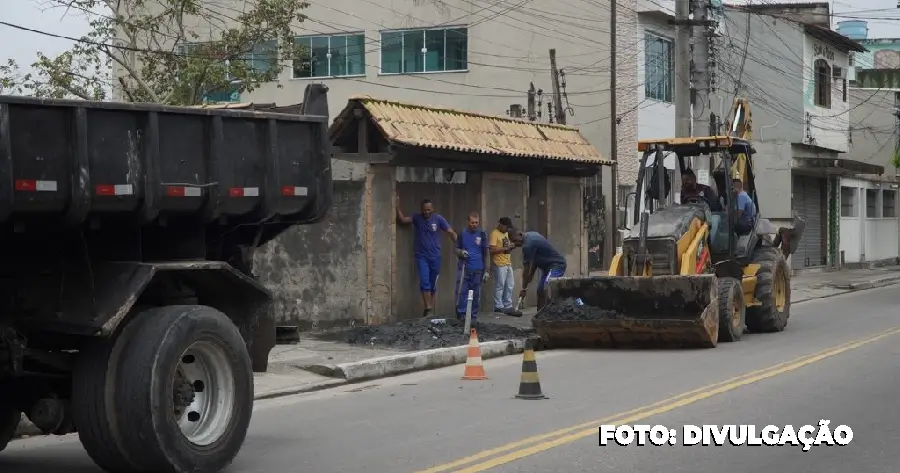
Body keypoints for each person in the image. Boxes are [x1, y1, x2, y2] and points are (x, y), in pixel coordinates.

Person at [397, 198, 457, 317]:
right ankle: (429, 309)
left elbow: (450, 231)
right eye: (424, 210)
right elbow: (403, 220)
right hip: (422, 256)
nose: (427, 212)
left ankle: (427, 309)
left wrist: (454, 237)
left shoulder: (438, 219)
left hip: (435, 256)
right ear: (421, 209)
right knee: (425, 282)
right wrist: (397, 206)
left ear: (432, 209)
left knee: (432, 285)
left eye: (429, 209)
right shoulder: (417, 218)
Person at [511, 229, 567, 310]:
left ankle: (554, 311)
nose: (515, 244)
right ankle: (540, 315)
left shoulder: (528, 245)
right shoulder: (530, 235)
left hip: (556, 265)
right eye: (513, 242)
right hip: (547, 268)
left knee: (547, 287)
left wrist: (523, 288)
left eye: (515, 240)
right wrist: (526, 286)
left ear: (520, 234)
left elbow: (527, 269)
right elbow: (533, 265)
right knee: (540, 290)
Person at [453, 213, 490, 324]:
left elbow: (486, 253)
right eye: (472, 222)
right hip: (465, 268)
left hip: (478, 269)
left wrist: (487, 270)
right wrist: (461, 252)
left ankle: (473, 316)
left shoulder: (482, 234)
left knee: (476, 294)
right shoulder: (462, 233)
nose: (474, 224)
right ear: (468, 221)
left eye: (476, 222)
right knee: (462, 292)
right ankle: (462, 315)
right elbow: (455, 249)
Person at [489, 217, 522, 317]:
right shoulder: (494, 234)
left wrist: (511, 247)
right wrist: (505, 248)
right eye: (506, 227)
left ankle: (507, 304)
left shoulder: (506, 233)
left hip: (507, 262)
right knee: (500, 285)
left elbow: (506, 248)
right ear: (501, 224)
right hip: (499, 263)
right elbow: (492, 250)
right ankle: (498, 305)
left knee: (510, 284)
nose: (507, 229)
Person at [681, 168, 722, 246]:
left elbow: (714, 205)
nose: (685, 183)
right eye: (684, 181)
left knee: (715, 220)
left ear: (694, 179)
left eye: (687, 180)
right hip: (690, 217)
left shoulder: (705, 189)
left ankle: (709, 245)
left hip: (707, 215)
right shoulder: (684, 191)